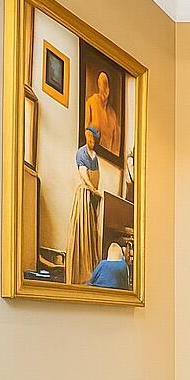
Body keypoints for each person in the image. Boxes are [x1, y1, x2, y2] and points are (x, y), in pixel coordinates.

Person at [66, 127, 104, 283]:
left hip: (92, 196)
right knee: (82, 228)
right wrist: (91, 188)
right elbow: (83, 172)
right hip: (85, 193)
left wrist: (96, 191)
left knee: (91, 230)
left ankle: (92, 268)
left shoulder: (94, 156)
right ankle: (80, 271)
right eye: (90, 138)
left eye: (94, 139)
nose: (92, 141)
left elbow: (96, 175)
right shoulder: (82, 153)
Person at [84, 71, 121, 158]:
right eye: (102, 84)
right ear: (99, 85)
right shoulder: (91, 102)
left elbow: (116, 148)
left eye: (106, 85)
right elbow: (85, 130)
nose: (105, 89)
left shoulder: (112, 114)